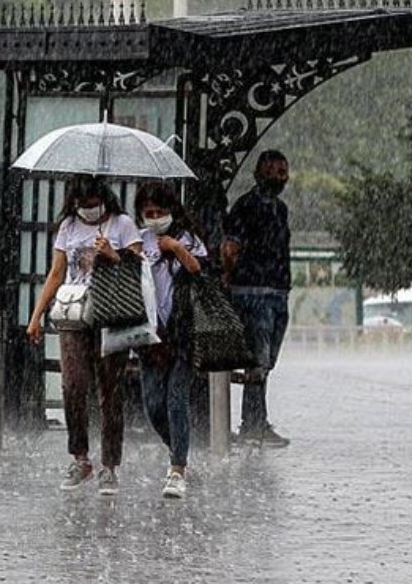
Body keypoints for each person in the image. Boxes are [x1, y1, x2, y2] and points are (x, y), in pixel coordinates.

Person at [27, 174, 143, 496]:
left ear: (102, 198)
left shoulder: (122, 224)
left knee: (110, 390)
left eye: (92, 204)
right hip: (75, 314)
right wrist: (37, 315)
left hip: (111, 314)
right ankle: (80, 456)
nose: (88, 210)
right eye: (82, 205)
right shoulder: (68, 227)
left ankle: (110, 464)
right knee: (73, 385)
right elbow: (56, 272)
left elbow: (138, 268)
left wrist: (112, 254)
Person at [135, 182, 207, 499]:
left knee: (176, 399)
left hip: (183, 333)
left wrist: (175, 247)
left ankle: (177, 468)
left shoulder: (188, 238)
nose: (154, 218)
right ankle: (178, 448)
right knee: (153, 404)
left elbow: (199, 269)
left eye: (160, 212)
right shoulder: (138, 240)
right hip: (151, 336)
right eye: (148, 213)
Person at [221, 150, 292, 447]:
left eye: (282, 171)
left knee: (267, 360)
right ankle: (253, 423)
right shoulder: (246, 207)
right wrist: (232, 279)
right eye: (273, 170)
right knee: (258, 360)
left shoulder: (280, 208)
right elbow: (230, 248)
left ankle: (255, 420)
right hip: (252, 292)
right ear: (258, 173)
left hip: (276, 292)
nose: (279, 176)